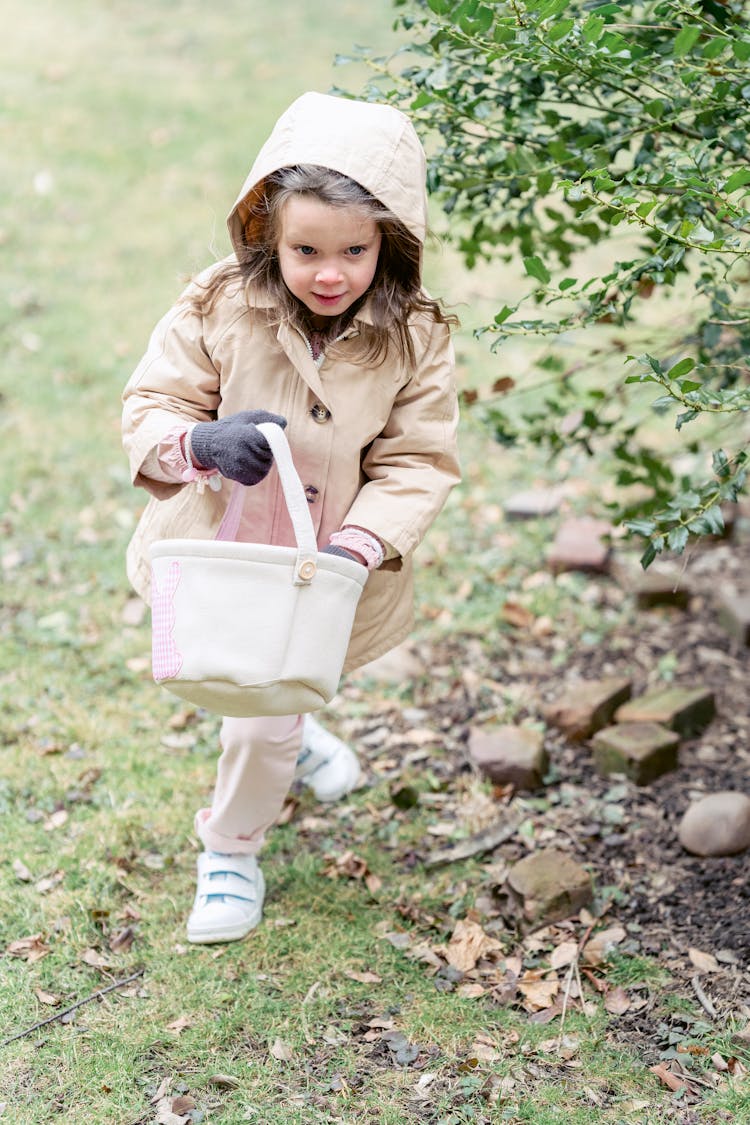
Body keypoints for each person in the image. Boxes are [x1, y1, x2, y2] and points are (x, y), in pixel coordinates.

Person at [122, 91, 461, 944]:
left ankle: (231, 847)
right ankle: (289, 752)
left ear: (390, 241)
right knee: (239, 678)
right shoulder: (221, 304)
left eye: (354, 249)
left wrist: (363, 537)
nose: (330, 272)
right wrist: (199, 442)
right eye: (305, 249)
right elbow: (155, 399)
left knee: (261, 710)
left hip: (328, 563)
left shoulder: (412, 336)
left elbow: (417, 459)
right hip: (226, 543)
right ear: (267, 231)